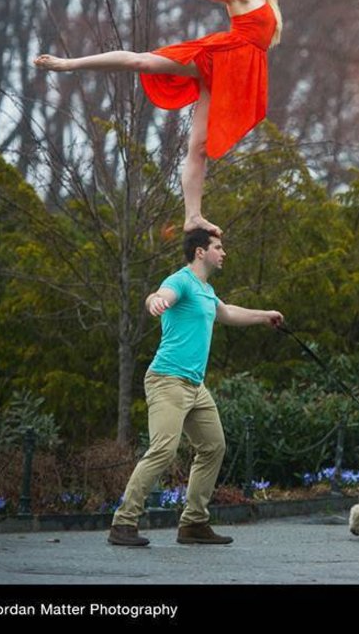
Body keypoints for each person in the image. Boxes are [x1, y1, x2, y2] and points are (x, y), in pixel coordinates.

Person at [34, 0, 332, 235]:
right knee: (143, 63)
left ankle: (193, 216)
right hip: (219, 58)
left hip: (238, 73)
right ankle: (69, 64)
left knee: (199, 148)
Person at [107, 227, 283, 547]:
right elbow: (161, 295)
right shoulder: (182, 280)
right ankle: (124, 522)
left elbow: (226, 312)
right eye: (218, 247)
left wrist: (264, 316)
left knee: (214, 446)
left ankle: (194, 523)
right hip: (167, 379)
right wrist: (155, 301)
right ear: (200, 252)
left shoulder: (205, 290)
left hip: (195, 386)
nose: (223, 252)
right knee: (163, 450)